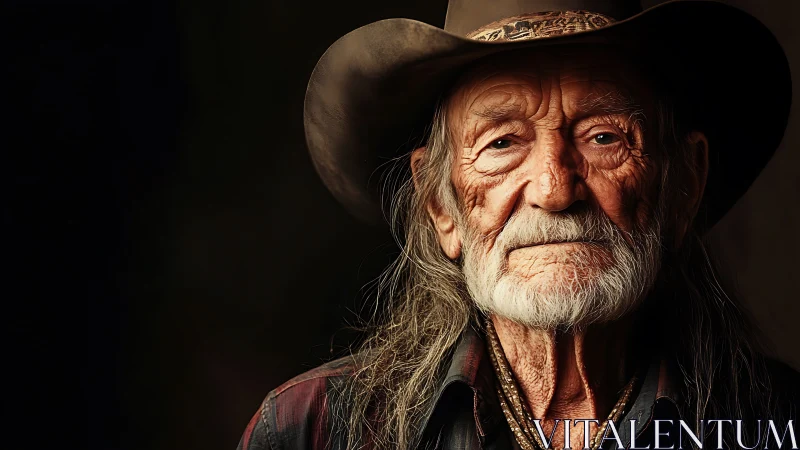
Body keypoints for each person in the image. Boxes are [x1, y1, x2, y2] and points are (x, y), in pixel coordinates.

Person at [237, 1, 799, 449]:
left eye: (604, 137)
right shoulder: (315, 431)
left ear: (683, 189)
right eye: (502, 143)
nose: (555, 191)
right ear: (440, 204)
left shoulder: (779, 425)